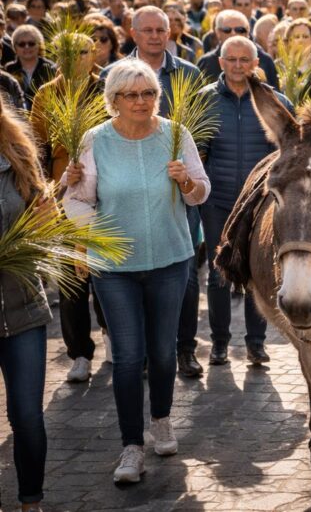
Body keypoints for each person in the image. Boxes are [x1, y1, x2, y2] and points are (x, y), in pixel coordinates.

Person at [64, 59, 211, 484]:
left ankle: (161, 419)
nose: (141, 101)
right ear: (113, 100)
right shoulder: (95, 141)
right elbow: (76, 199)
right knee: (129, 358)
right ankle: (131, 447)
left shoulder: (175, 135)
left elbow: (201, 192)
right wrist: (96, 236)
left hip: (170, 259)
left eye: (148, 93)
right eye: (131, 94)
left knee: (164, 352)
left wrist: (186, 182)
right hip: (115, 268)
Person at [198, 36, 287, 368]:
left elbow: (287, 151)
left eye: (244, 60)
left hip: (259, 203)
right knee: (219, 273)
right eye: (231, 59)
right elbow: (196, 152)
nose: (237, 66)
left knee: (257, 271)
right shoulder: (204, 101)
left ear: (255, 63)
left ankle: (256, 343)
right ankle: (219, 343)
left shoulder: (275, 102)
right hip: (217, 200)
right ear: (220, 63)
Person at [30, 34, 109, 383]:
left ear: (93, 55)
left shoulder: (107, 88)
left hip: (106, 194)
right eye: (67, 53)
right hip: (64, 199)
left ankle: (113, 337)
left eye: (82, 52)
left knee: (107, 272)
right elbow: (37, 149)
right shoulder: (46, 93)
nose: (74, 58)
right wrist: (45, 193)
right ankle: (79, 353)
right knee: (71, 280)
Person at [0, 93, 52, 512]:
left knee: (28, 418)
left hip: (23, 305)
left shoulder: (17, 154)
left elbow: (42, 216)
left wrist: (43, 219)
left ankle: (30, 502)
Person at [196, 10, 279, 90]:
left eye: (240, 30)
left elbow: (275, 97)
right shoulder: (206, 62)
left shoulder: (265, 60)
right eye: (227, 30)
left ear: (248, 32)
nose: (233, 33)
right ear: (218, 33)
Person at [4, 25, 55, 108]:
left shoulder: (50, 68)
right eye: (22, 44)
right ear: (15, 47)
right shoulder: (9, 69)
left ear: (39, 45)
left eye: (31, 43)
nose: (27, 47)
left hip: (43, 116)